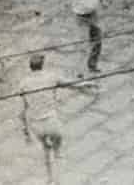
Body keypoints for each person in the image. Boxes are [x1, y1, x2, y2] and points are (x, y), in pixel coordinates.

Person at [18, 54, 96, 185]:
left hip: (36, 125)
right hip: (52, 122)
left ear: (30, 67)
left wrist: (26, 133)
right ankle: (58, 181)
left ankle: (49, 180)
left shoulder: (23, 83)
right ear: (42, 65)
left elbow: (22, 112)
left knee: (46, 151)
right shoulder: (51, 77)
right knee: (58, 153)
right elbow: (72, 85)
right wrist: (87, 83)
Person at [71, 0, 104, 73]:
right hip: (82, 18)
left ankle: (92, 65)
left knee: (98, 41)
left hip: (93, 16)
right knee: (83, 45)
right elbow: (89, 5)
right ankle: (79, 71)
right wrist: (98, 3)